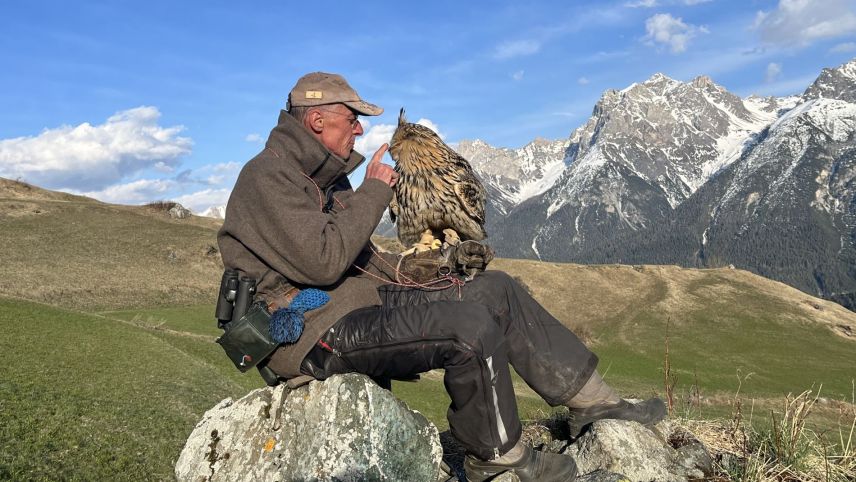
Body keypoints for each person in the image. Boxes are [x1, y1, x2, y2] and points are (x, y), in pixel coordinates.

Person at [218, 72, 666, 481]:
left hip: (358, 307)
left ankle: (595, 401)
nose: (359, 129)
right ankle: (494, 456)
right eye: (352, 118)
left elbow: (365, 261)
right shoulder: (267, 178)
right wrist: (375, 189)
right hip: (311, 335)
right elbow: (324, 261)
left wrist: (441, 269)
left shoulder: (325, 180)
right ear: (318, 121)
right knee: (465, 328)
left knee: (494, 289)